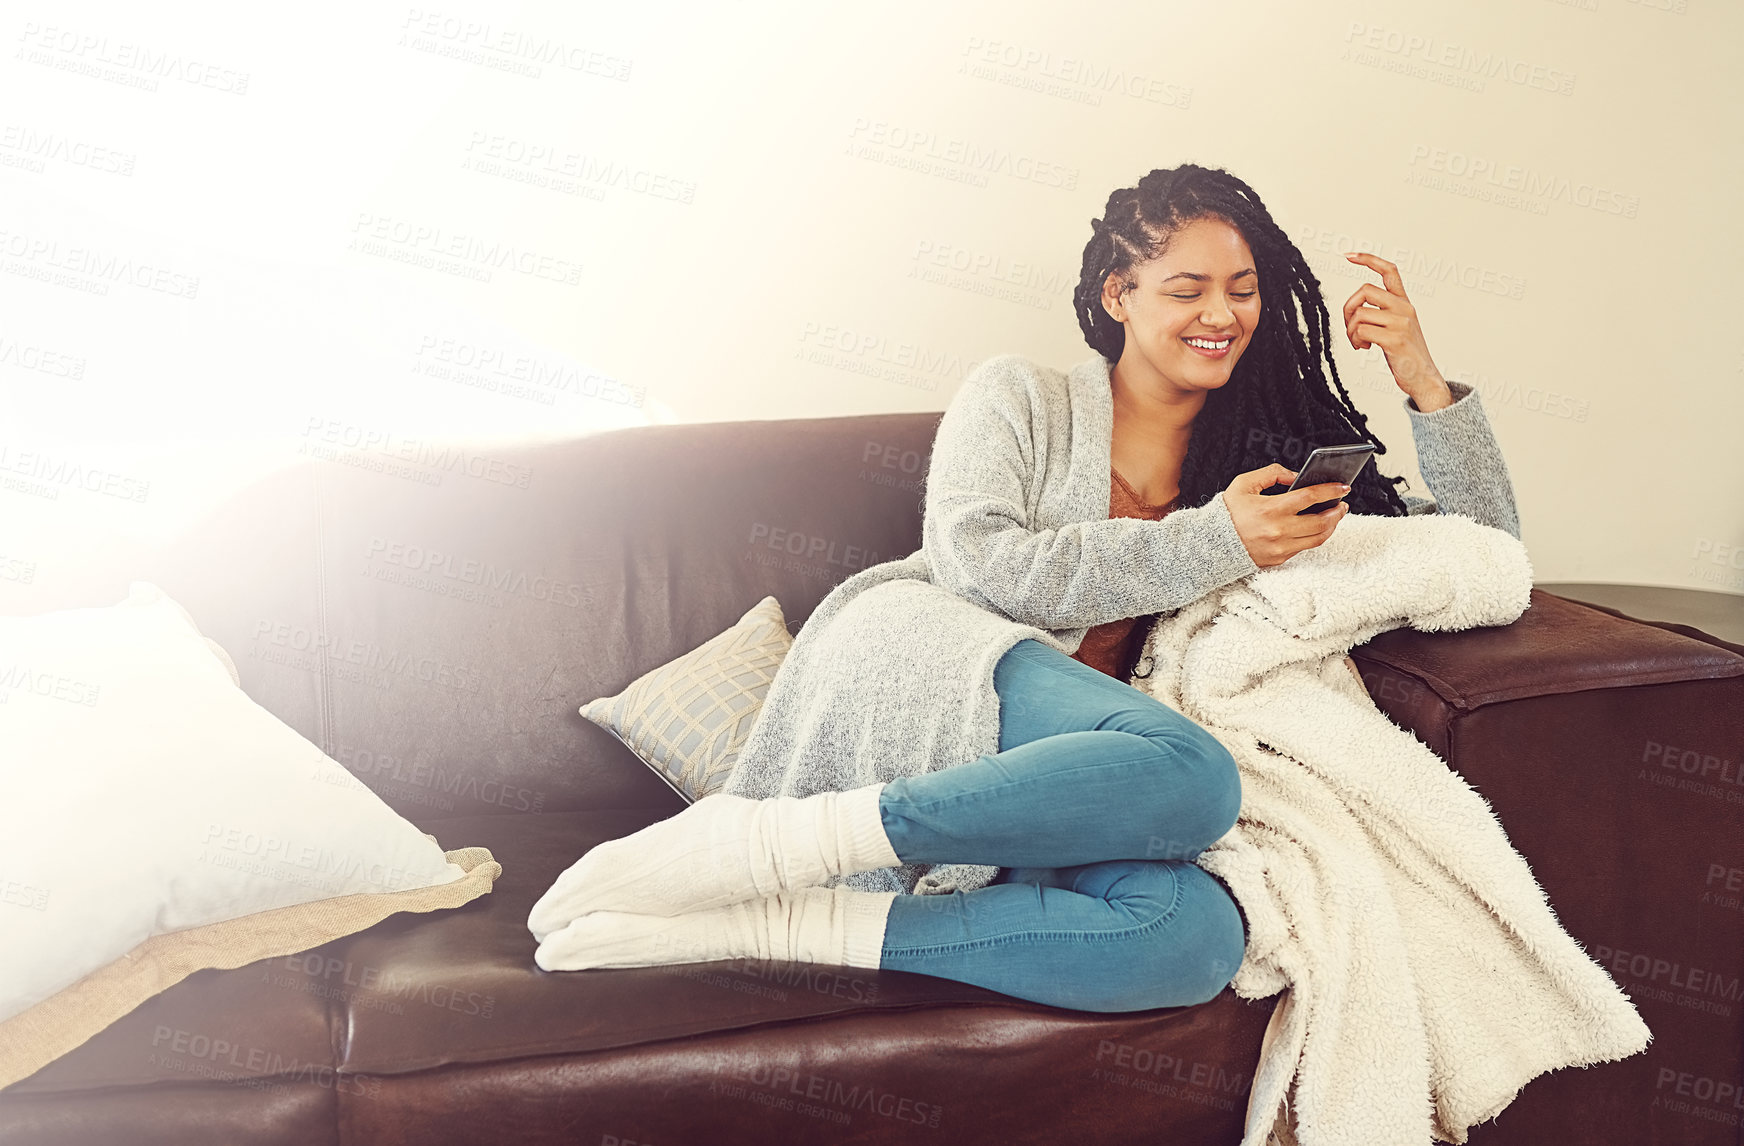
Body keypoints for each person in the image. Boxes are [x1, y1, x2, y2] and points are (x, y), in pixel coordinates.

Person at [528, 164, 1522, 1013]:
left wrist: (1421, 377)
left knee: (1189, 938)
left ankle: (783, 919)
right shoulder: (1018, 397)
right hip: (925, 653)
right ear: (1117, 296)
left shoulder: (1261, 457)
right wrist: (1214, 540)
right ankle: (771, 837)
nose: (1222, 314)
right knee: (1195, 779)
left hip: (1076, 768)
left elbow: (1480, 563)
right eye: (1186, 289)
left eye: (1243, 289)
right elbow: (979, 564)